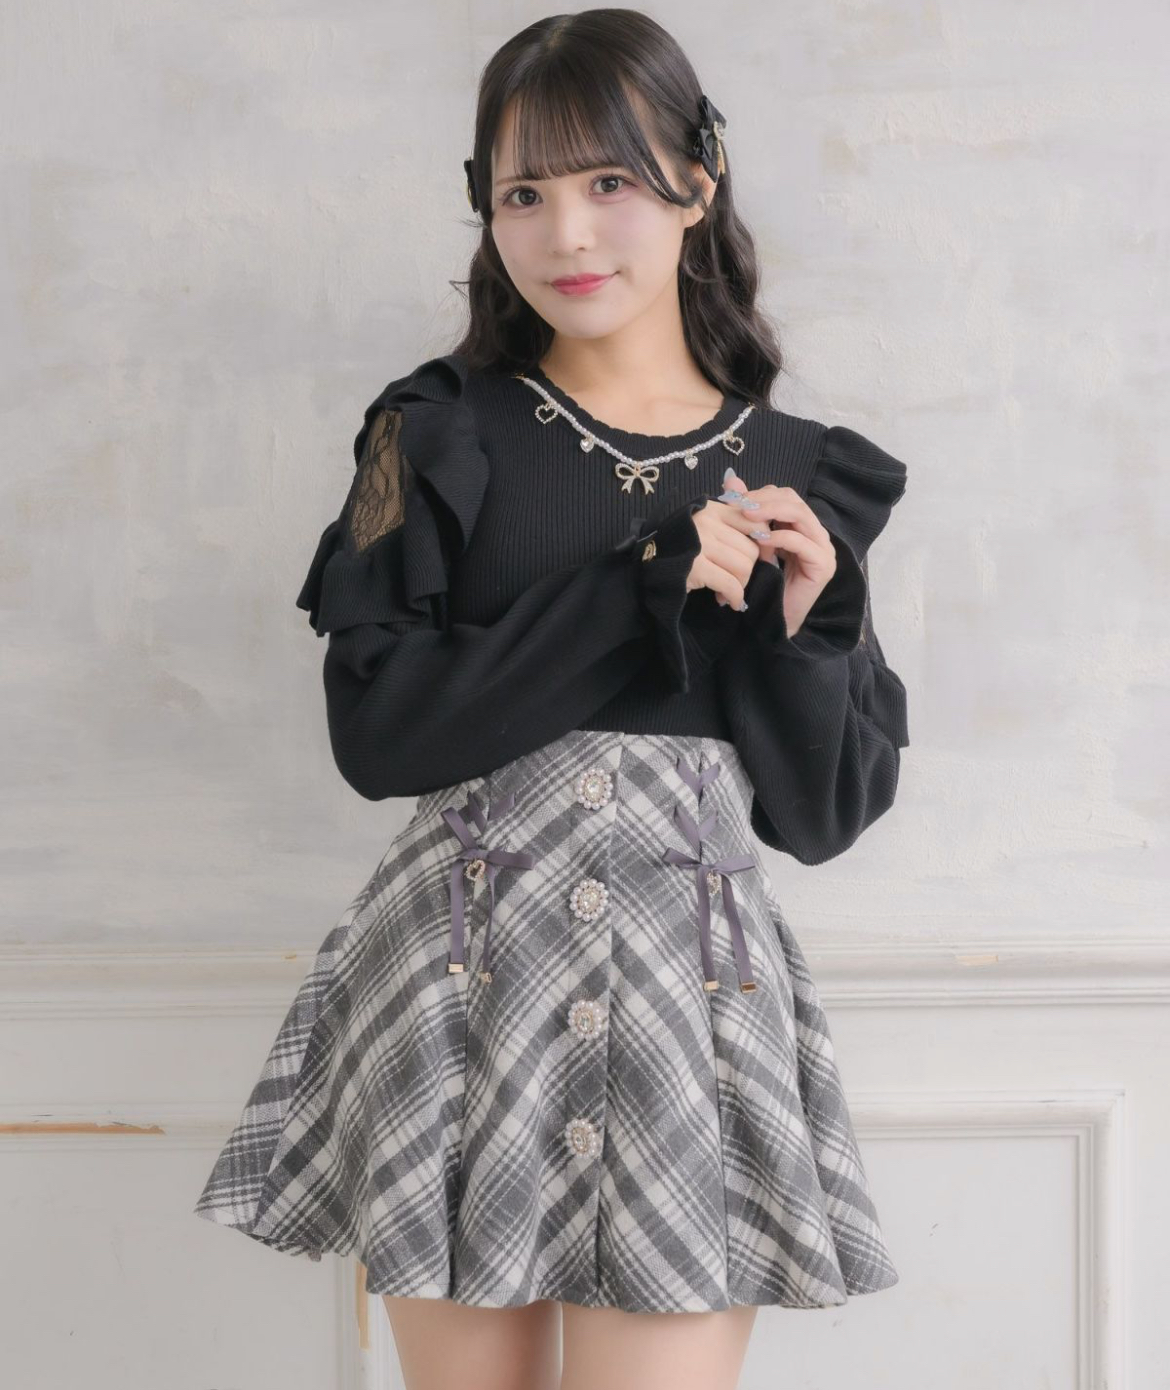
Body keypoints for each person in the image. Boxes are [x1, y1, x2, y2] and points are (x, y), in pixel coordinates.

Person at [193, 10, 911, 1389]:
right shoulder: (434, 433)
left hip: (690, 1005)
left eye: (610, 181)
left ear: (697, 181)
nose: (567, 234)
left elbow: (821, 815)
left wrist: (808, 625)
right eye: (522, 193)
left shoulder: (803, 474)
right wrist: (640, 583)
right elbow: (383, 736)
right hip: (462, 988)